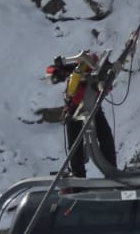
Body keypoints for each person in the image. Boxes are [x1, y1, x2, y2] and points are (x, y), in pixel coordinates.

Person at [47, 49, 118, 178]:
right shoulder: (77, 68)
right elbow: (52, 69)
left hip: (92, 107)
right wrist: (58, 71)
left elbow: (107, 86)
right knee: (76, 144)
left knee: (104, 137)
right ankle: (78, 174)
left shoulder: (99, 72)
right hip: (75, 108)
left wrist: (102, 84)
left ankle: (110, 170)